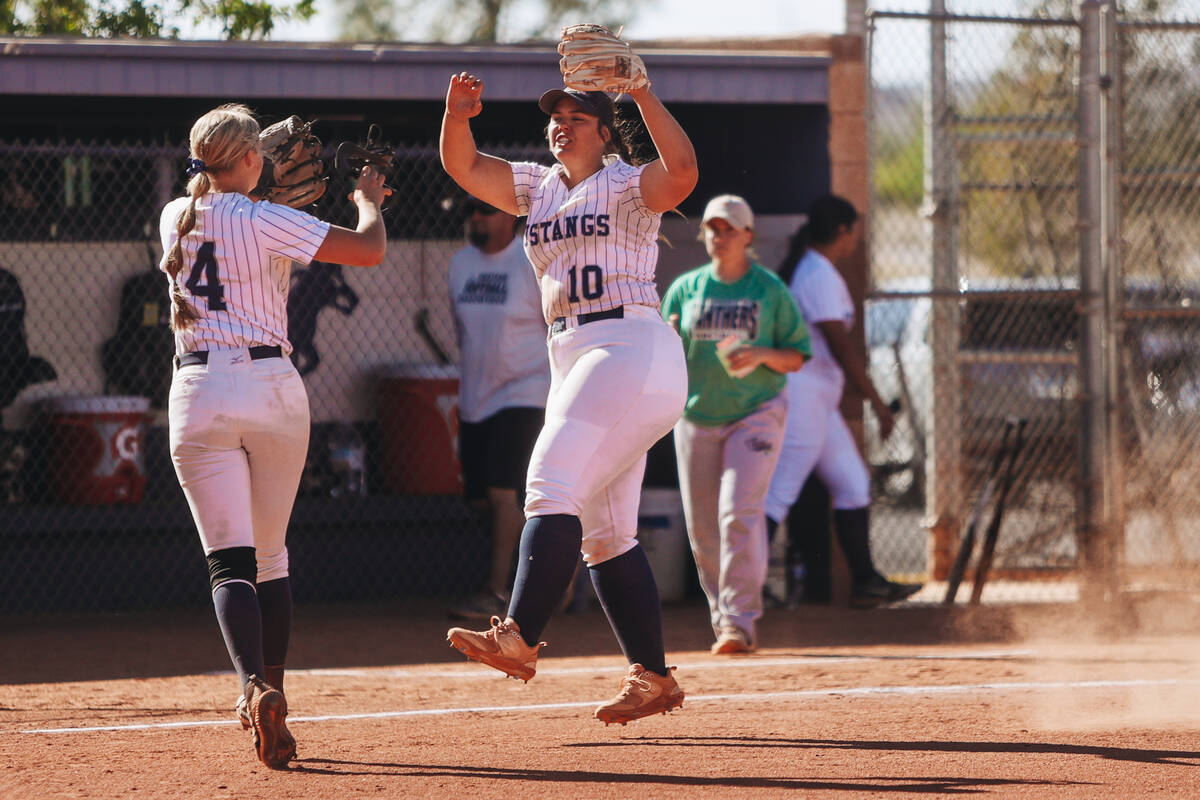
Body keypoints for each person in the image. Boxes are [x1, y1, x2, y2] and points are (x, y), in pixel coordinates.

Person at [439, 72, 698, 725]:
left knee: (548, 483)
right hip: (578, 356)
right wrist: (458, 114)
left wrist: (642, 93)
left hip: (629, 345)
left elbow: (685, 172)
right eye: (554, 116)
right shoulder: (538, 187)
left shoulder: (624, 181)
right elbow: (463, 164)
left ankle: (519, 636)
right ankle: (655, 677)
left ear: (604, 132)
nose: (561, 123)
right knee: (607, 537)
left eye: (577, 116)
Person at [159, 103, 388, 769]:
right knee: (271, 557)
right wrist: (367, 199)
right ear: (250, 160)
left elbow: (225, 204)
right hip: (268, 387)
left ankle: (252, 686)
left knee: (228, 564)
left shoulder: (176, 215)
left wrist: (256, 182)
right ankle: (276, 691)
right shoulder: (266, 219)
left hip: (197, 392)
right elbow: (368, 248)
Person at [661, 194, 810, 655]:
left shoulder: (769, 289)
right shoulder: (687, 288)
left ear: (749, 236)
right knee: (704, 527)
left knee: (737, 513)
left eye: (729, 228)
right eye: (711, 228)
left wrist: (762, 353)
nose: (719, 236)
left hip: (756, 412)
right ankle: (722, 620)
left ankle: (740, 623)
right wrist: (663, 336)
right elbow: (668, 347)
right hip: (697, 416)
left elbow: (798, 356)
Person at [765, 194, 922, 608]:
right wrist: (877, 402)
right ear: (841, 231)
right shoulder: (817, 272)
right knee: (779, 493)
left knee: (853, 484)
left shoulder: (819, 269)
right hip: (802, 397)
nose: (855, 238)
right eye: (853, 230)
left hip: (820, 399)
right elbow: (839, 345)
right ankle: (742, 586)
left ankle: (867, 582)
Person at [447, 195, 550, 620]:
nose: (476, 218)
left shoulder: (530, 262)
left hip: (525, 390)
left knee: (502, 491)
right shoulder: (460, 264)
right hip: (477, 396)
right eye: (470, 210)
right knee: (480, 499)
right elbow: (461, 331)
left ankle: (497, 591)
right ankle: (547, 573)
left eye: (486, 210)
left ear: (511, 215)